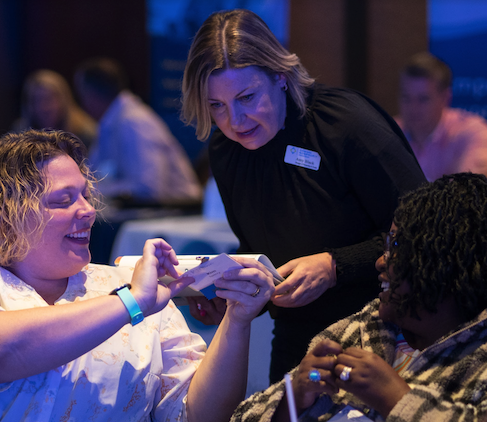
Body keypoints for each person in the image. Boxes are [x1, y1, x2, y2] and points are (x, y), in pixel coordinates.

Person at [0, 129, 277, 422]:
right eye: (63, 200)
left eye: (85, 195)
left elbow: (199, 415)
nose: (89, 211)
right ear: (5, 213)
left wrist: (237, 320)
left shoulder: (123, 287)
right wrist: (131, 302)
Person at [179, 9, 427, 383]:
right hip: (298, 338)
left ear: (279, 76)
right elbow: (261, 249)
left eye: (247, 97)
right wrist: (232, 298)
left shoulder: (346, 124)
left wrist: (334, 266)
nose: (235, 121)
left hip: (387, 330)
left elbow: (423, 233)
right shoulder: (225, 150)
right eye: (217, 106)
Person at [231, 172, 487, 422]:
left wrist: (394, 398)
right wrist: (293, 398)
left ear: (446, 263)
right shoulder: (362, 328)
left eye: (396, 246)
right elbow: (241, 417)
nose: (379, 261)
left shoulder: (479, 360)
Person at [73, 57, 202, 206]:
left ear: (90, 94)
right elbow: (94, 175)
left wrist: (98, 190)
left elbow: (149, 188)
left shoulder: (134, 122)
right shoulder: (111, 122)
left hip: (178, 213)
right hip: (148, 212)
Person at [395, 52, 487, 181]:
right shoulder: (388, 133)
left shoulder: (472, 133)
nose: (413, 107)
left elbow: (468, 193)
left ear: (445, 98)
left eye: (423, 99)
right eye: (406, 98)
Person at [12, 69, 97, 149]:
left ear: (64, 99)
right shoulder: (19, 134)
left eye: (49, 99)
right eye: (37, 100)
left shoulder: (86, 133)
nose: (44, 106)